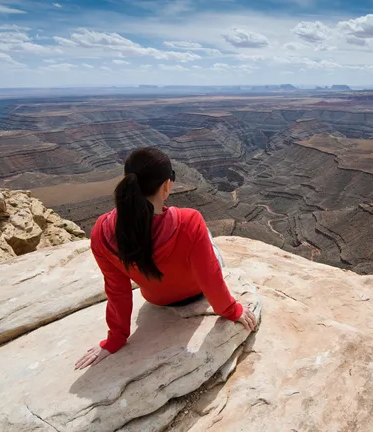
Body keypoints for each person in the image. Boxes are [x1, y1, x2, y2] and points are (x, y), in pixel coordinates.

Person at [75, 147, 256, 370]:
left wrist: (115, 339)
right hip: (196, 292)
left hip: (157, 300)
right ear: (167, 185)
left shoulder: (101, 232)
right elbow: (209, 276)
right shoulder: (189, 220)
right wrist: (231, 310)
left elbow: (117, 291)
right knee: (206, 236)